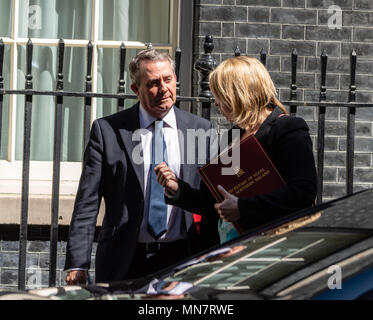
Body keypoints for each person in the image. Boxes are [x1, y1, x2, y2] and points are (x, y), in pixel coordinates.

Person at [64, 49, 219, 285]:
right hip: (126, 260)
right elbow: (87, 201)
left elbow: (212, 200)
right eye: (154, 83)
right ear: (136, 90)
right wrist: (78, 262)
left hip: (185, 257)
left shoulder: (201, 130)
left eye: (168, 80)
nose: (164, 88)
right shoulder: (108, 131)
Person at [155, 55, 317, 244]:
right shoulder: (232, 136)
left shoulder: (287, 129)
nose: (215, 103)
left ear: (238, 94)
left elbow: (303, 192)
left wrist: (243, 207)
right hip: (231, 248)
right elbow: (213, 202)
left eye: (220, 96)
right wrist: (177, 189)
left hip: (272, 246)